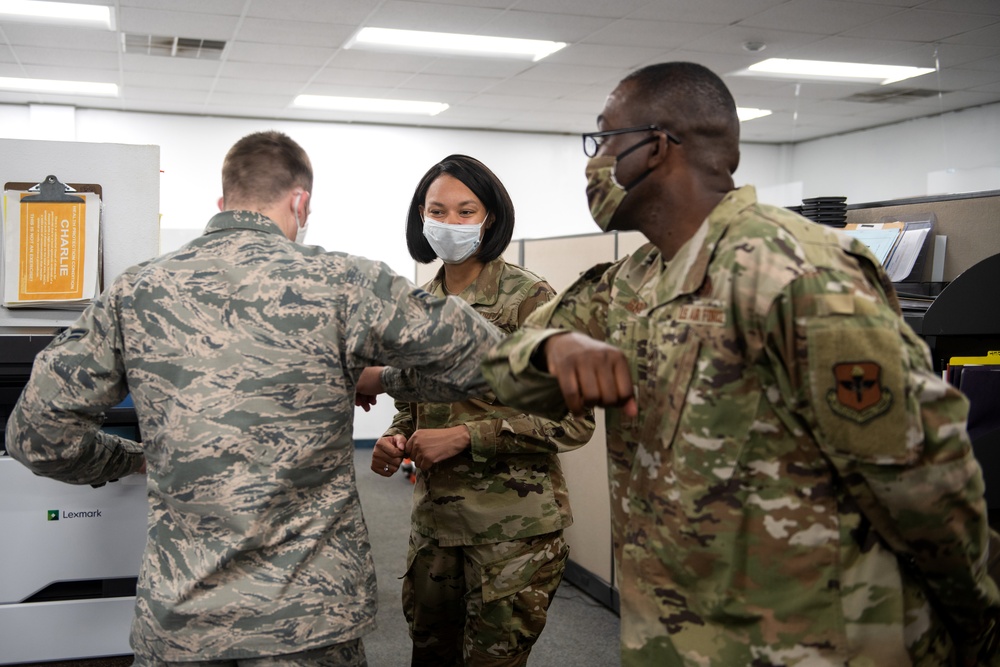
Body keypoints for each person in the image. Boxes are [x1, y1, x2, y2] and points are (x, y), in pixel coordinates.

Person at [481, 62, 1000, 666]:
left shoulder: (799, 276)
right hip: (674, 637)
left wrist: (979, 628)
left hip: (809, 643)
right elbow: (501, 365)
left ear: (654, 147)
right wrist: (551, 349)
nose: (594, 164)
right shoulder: (632, 281)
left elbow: (922, 484)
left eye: (604, 141)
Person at [5, 131, 502, 667]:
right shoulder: (345, 283)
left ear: (223, 203)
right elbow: (491, 365)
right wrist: (378, 379)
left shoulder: (136, 290)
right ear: (300, 202)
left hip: (182, 618)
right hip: (308, 618)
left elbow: (36, 436)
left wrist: (131, 459)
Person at [364, 154, 595, 666]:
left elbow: (575, 419)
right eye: (437, 211)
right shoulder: (420, 304)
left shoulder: (529, 299)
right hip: (436, 527)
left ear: (490, 218)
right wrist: (394, 436)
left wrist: (469, 435)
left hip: (511, 534)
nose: (450, 224)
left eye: (466, 212)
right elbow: (413, 403)